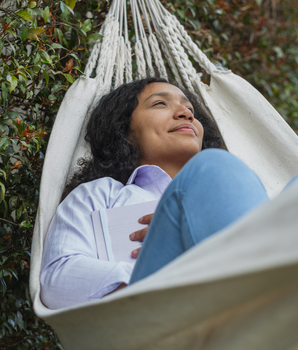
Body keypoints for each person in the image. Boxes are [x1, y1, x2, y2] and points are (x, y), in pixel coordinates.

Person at [40, 77, 280, 310]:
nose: (186, 113)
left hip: (259, 292)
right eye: (160, 104)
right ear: (125, 132)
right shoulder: (100, 195)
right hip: (168, 317)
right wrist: (168, 263)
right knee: (218, 166)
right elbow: (58, 281)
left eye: (189, 108)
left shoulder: (232, 191)